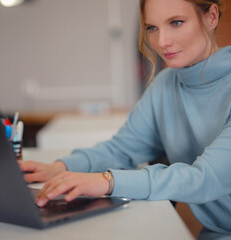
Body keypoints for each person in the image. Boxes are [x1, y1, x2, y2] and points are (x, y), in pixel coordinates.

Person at [19, 0, 231, 239]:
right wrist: (58, 168)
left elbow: (204, 178)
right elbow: (121, 149)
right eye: (152, 28)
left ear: (211, 17)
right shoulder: (165, 85)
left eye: (176, 22)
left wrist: (107, 181)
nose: (162, 42)